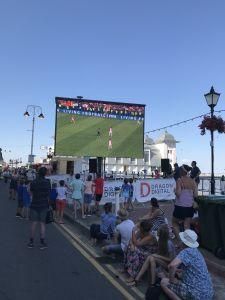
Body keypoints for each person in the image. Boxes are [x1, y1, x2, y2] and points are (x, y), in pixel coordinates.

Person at [161, 229, 214, 300]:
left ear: (183, 241)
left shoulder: (186, 251)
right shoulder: (196, 252)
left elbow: (172, 266)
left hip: (198, 294)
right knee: (179, 277)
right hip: (208, 293)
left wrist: (172, 279)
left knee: (164, 282)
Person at [172, 165, 198, 242]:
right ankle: (188, 242)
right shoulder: (193, 181)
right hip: (189, 207)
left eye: (180, 170)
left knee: (174, 223)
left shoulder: (179, 180)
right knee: (187, 225)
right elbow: (195, 195)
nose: (179, 171)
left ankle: (180, 242)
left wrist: (175, 191)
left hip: (180, 206)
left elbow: (178, 194)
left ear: (183, 171)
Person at [28, 167, 51, 249]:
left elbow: (30, 193)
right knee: (42, 224)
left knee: (34, 223)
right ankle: (42, 242)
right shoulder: (47, 182)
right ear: (45, 173)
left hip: (34, 204)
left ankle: (31, 242)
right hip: (44, 205)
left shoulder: (34, 182)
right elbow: (49, 195)